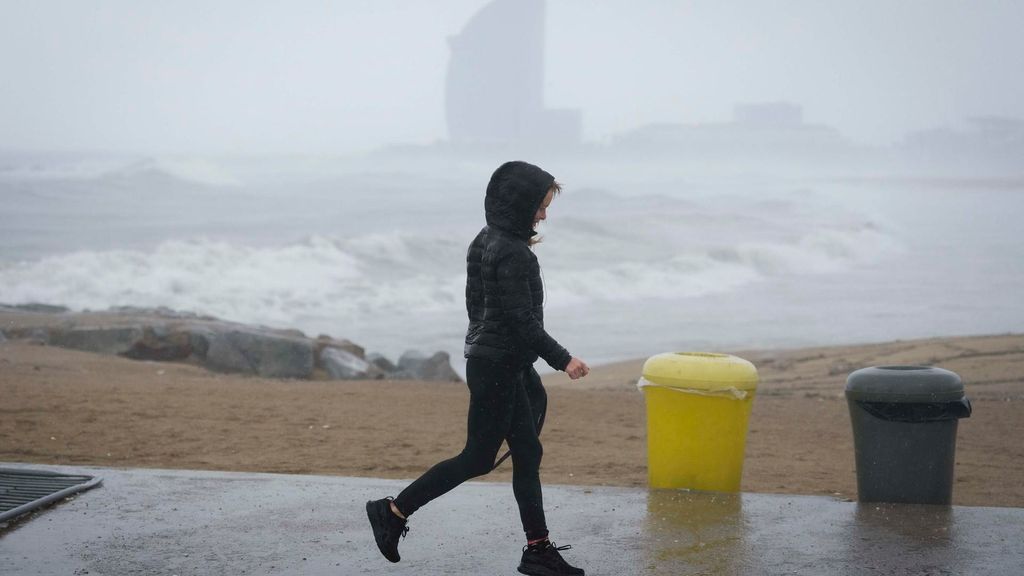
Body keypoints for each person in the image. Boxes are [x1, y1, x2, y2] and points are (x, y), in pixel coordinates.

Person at [366, 161, 590, 575]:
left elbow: (480, 311)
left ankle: (538, 550)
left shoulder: (486, 239)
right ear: (521, 205)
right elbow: (523, 322)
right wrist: (564, 359)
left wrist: (520, 364)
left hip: (498, 362)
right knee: (477, 458)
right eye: (540, 206)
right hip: (497, 367)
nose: (544, 215)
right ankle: (393, 512)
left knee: (527, 451)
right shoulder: (514, 253)